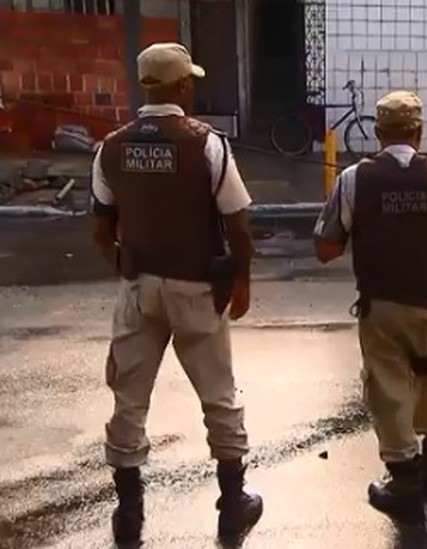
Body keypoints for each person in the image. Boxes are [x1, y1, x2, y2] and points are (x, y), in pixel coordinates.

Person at [89, 43, 262, 544]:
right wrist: (243, 279)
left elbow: (101, 229)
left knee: (129, 399)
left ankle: (128, 511)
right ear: (183, 86)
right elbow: (238, 223)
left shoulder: (111, 147)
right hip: (197, 287)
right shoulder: (206, 144)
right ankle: (233, 504)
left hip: (139, 288)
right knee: (219, 395)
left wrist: (129, 269)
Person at [313, 90, 427, 516]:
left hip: (381, 304)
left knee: (388, 385)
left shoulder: (355, 179)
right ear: (419, 131)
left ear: (377, 133)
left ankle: (403, 475)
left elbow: (326, 248)